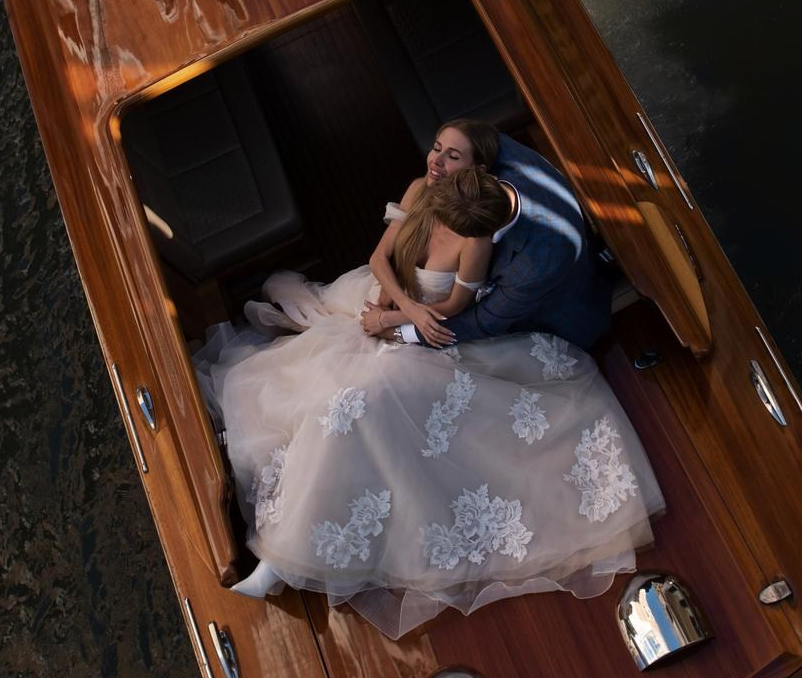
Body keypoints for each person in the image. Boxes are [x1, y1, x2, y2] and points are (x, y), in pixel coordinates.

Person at [196, 123, 664, 639]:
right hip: (390, 303)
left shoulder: (503, 249)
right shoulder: (442, 178)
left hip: (447, 337)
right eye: (438, 152)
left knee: (367, 401)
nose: (437, 161)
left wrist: (405, 325)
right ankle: (276, 457)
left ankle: (285, 559)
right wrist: (394, 306)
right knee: (336, 382)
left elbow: (468, 315)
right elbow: (382, 256)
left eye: (449, 156)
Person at [363, 128, 613, 354]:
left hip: (546, 314)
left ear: (472, 236)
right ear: (482, 173)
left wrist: (396, 331)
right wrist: (397, 303)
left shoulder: (535, 265)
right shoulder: (499, 149)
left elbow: (483, 322)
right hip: (412, 305)